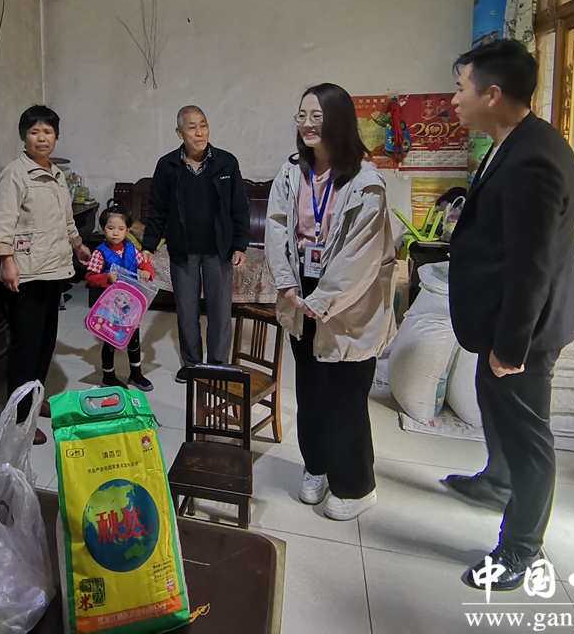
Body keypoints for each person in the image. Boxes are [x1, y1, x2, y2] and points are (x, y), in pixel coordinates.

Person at [444, 39, 574, 591]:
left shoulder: (534, 160)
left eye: (461, 88)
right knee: (491, 403)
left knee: (528, 438)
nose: (455, 99)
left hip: (524, 329)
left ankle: (522, 549)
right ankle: (497, 480)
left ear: (492, 94)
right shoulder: (513, 141)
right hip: (499, 318)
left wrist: (511, 348)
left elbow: (533, 266)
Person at [264, 83, 397, 521]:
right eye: (302, 116)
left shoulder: (366, 182)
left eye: (317, 116)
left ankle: (356, 486)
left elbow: (360, 257)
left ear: (339, 120)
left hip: (350, 300)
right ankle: (316, 465)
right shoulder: (291, 172)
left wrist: (321, 301)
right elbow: (277, 227)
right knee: (311, 389)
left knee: (345, 396)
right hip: (300, 290)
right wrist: (287, 283)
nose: (307, 124)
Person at [0, 105, 91, 445]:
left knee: (46, 342)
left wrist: (78, 245)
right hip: (28, 271)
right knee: (27, 345)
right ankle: (18, 418)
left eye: (47, 131)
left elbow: (66, 219)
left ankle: (34, 399)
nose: (41, 138)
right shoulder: (15, 174)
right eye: (34, 132)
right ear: (24, 136)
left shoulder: (57, 174)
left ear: (56, 136)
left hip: (55, 268)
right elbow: (2, 222)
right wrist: (6, 260)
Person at [140, 106, 250, 382]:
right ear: (180, 133)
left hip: (219, 250)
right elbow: (157, 210)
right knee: (187, 312)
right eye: (192, 127)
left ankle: (218, 365)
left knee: (220, 313)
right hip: (183, 250)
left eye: (203, 125)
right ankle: (191, 364)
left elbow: (239, 207)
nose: (199, 132)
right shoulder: (167, 165)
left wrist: (240, 244)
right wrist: (148, 247)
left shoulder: (226, 162)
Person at [85, 201, 155, 390]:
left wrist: (147, 270)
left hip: (131, 305)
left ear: (127, 231)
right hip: (109, 307)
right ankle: (108, 377)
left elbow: (144, 264)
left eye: (120, 229)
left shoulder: (132, 249)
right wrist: (106, 278)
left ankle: (136, 374)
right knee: (110, 340)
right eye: (111, 228)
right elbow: (90, 276)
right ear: (103, 229)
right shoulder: (100, 253)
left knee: (133, 339)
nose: (115, 233)